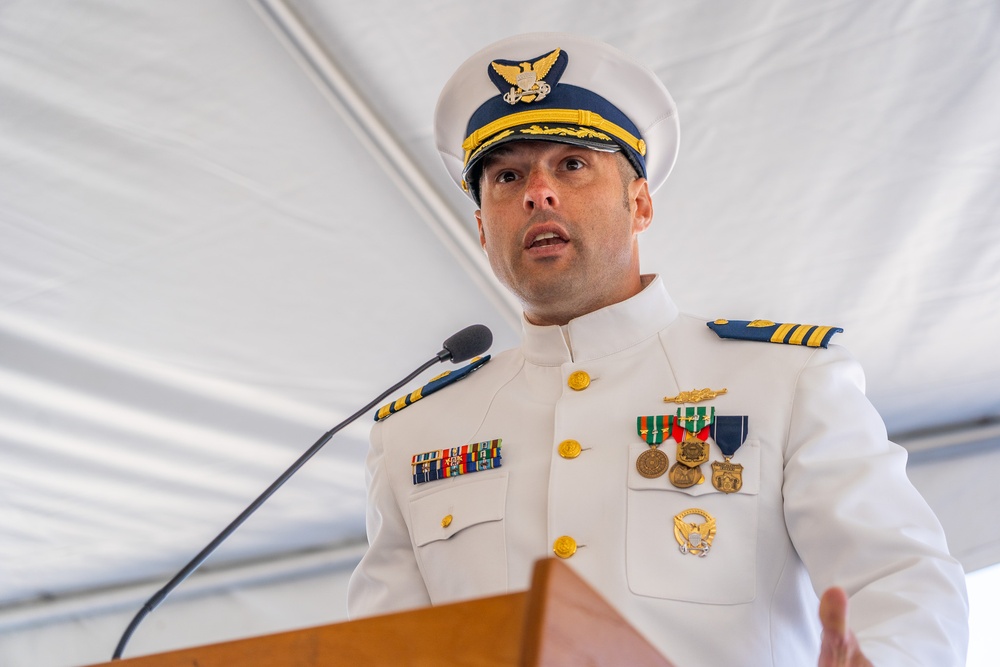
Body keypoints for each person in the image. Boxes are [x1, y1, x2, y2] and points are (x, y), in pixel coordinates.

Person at [347, 32, 969, 666]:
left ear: (639, 203)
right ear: (483, 226)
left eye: (572, 164)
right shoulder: (413, 435)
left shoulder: (784, 380)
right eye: (507, 176)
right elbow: (380, 650)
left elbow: (901, 577)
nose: (538, 192)